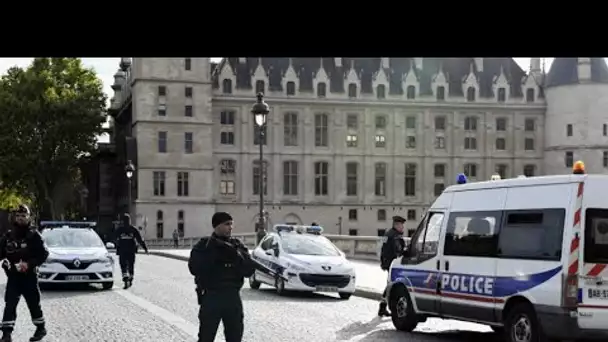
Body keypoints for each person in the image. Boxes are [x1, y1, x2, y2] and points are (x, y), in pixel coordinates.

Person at [188, 212, 256, 342]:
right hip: (212, 297)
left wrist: (236, 256)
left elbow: (249, 270)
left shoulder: (237, 245)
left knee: (235, 336)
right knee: (206, 337)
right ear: (216, 226)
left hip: (232, 297)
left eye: (231, 224)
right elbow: (194, 268)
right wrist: (214, 254)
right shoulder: (204, 245)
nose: (230, 227)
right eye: (226, 224)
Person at [0, 204, 49, 342]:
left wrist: (29, 264)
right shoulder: (9, 236)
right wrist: (5, 262)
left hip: (29, 277)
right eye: (18, 216)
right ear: (15, 217)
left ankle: (40, 328)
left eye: (24, 216)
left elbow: (44, 254)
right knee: (10, 304)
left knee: (34, 304)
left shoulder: (34, 236)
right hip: (13, 277)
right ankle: (6, 334)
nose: (21, 218)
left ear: (29, 217)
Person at [378, 215, 407, 317]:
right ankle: (383, 307)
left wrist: (383, 262)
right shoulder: (395, 236)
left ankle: (382, 307)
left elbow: (382, 249)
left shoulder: (388, 234)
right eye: (401, 225)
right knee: (391, 285)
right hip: (393, 264)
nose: (403, 227)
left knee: (389, 284)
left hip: (387, 263)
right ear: (397, 225)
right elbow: (398, 251)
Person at [114, 213, 148, 289]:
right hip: (131, 250)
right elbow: (140, 239)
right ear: (130, 220)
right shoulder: (133, 229)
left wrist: (117, 242)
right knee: (131, 264)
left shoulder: (120, 229)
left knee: (123, 265)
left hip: (122, 250)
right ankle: (131, 277)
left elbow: (114, 238)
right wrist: (145, 248)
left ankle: (125, 276)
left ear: (123, 221)